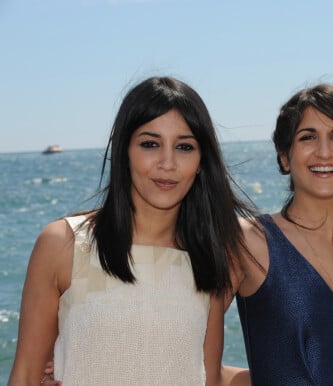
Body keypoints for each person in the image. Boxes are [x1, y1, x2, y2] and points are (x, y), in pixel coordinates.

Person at [8, 76, 254, 385]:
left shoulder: (208, 258)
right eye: (150, 144)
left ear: (201, 161)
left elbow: (208, 380)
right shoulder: (65, 243)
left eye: (184, 147)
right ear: (124, 151)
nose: (167, 163)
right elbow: (26, 375)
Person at [231, 83, 333, 385]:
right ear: (285, 157)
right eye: (308, 137)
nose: (324, 151)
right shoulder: (248, 241)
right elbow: (194, 359)